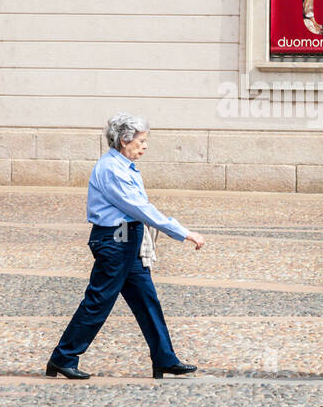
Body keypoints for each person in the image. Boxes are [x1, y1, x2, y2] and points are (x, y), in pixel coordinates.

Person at [46, 113, 205, 380]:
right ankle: (63, 358)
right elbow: (139, 208)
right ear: (124, 140)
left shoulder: (123, 166)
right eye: (141, 141)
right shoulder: (112, 169)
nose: (145, 146)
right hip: (114, 242)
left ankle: (164, 358)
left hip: (126, 241)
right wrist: (183, 232)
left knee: (146, 301)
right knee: (99, 302)